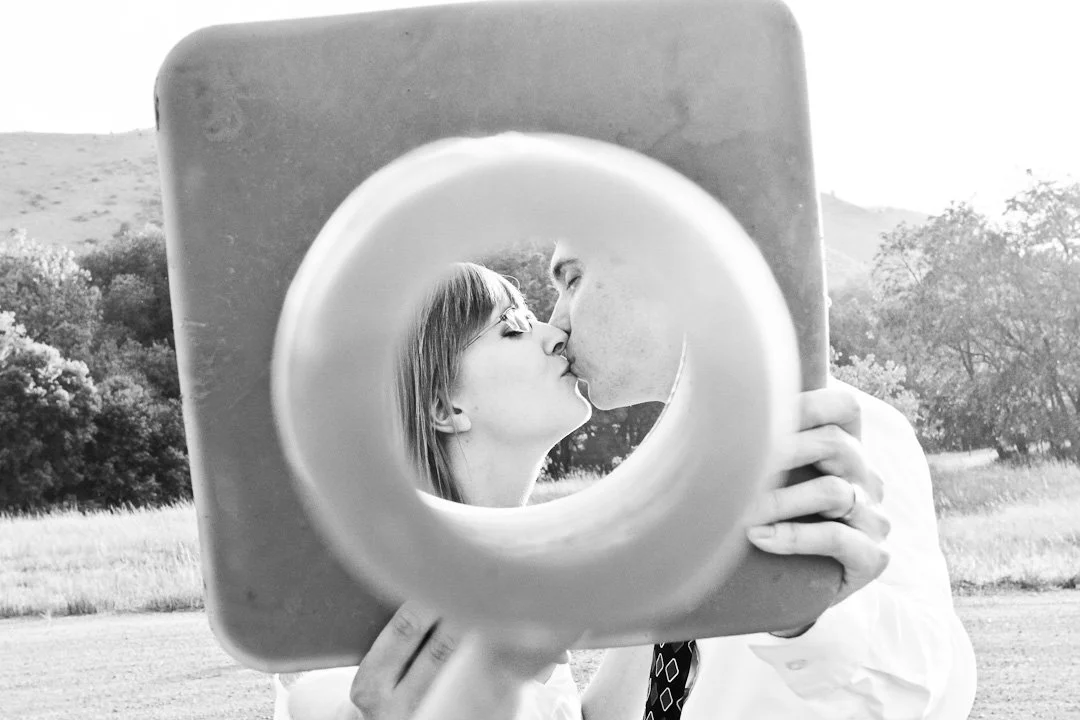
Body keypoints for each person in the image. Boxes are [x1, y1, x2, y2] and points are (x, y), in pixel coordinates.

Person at [343, 239, 978, 720]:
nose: (556, 322)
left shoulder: (815, 434)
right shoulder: (658, 491)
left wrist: (805, 612)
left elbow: (932, 683)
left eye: (571, 279)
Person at [275, 262, 591, 720]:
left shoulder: (515, 584)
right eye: (514, 325)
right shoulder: (369, 591)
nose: (555, 333)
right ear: (444, 405)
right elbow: (318, 695)